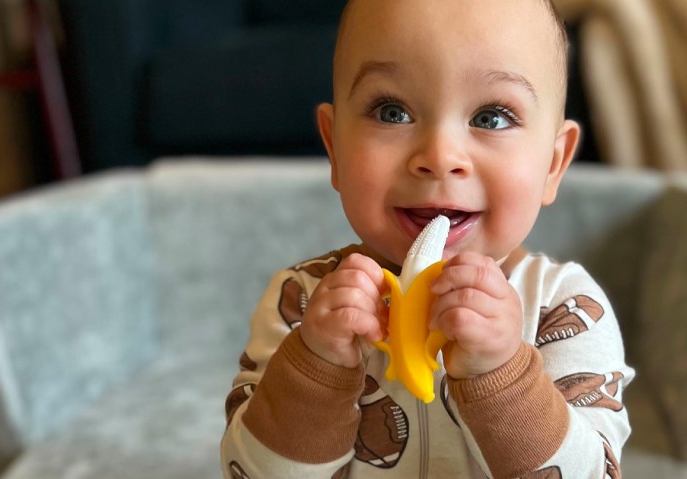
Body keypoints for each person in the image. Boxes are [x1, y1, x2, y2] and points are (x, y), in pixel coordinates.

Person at [220, 0, 633, 477]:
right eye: (392, 111)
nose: (439, 156)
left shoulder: (566, 308)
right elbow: (247, 471)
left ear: (553, 165)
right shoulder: (302, 303)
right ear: (334, 148)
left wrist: (503, 376)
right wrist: (316, 369)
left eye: (491, 117)